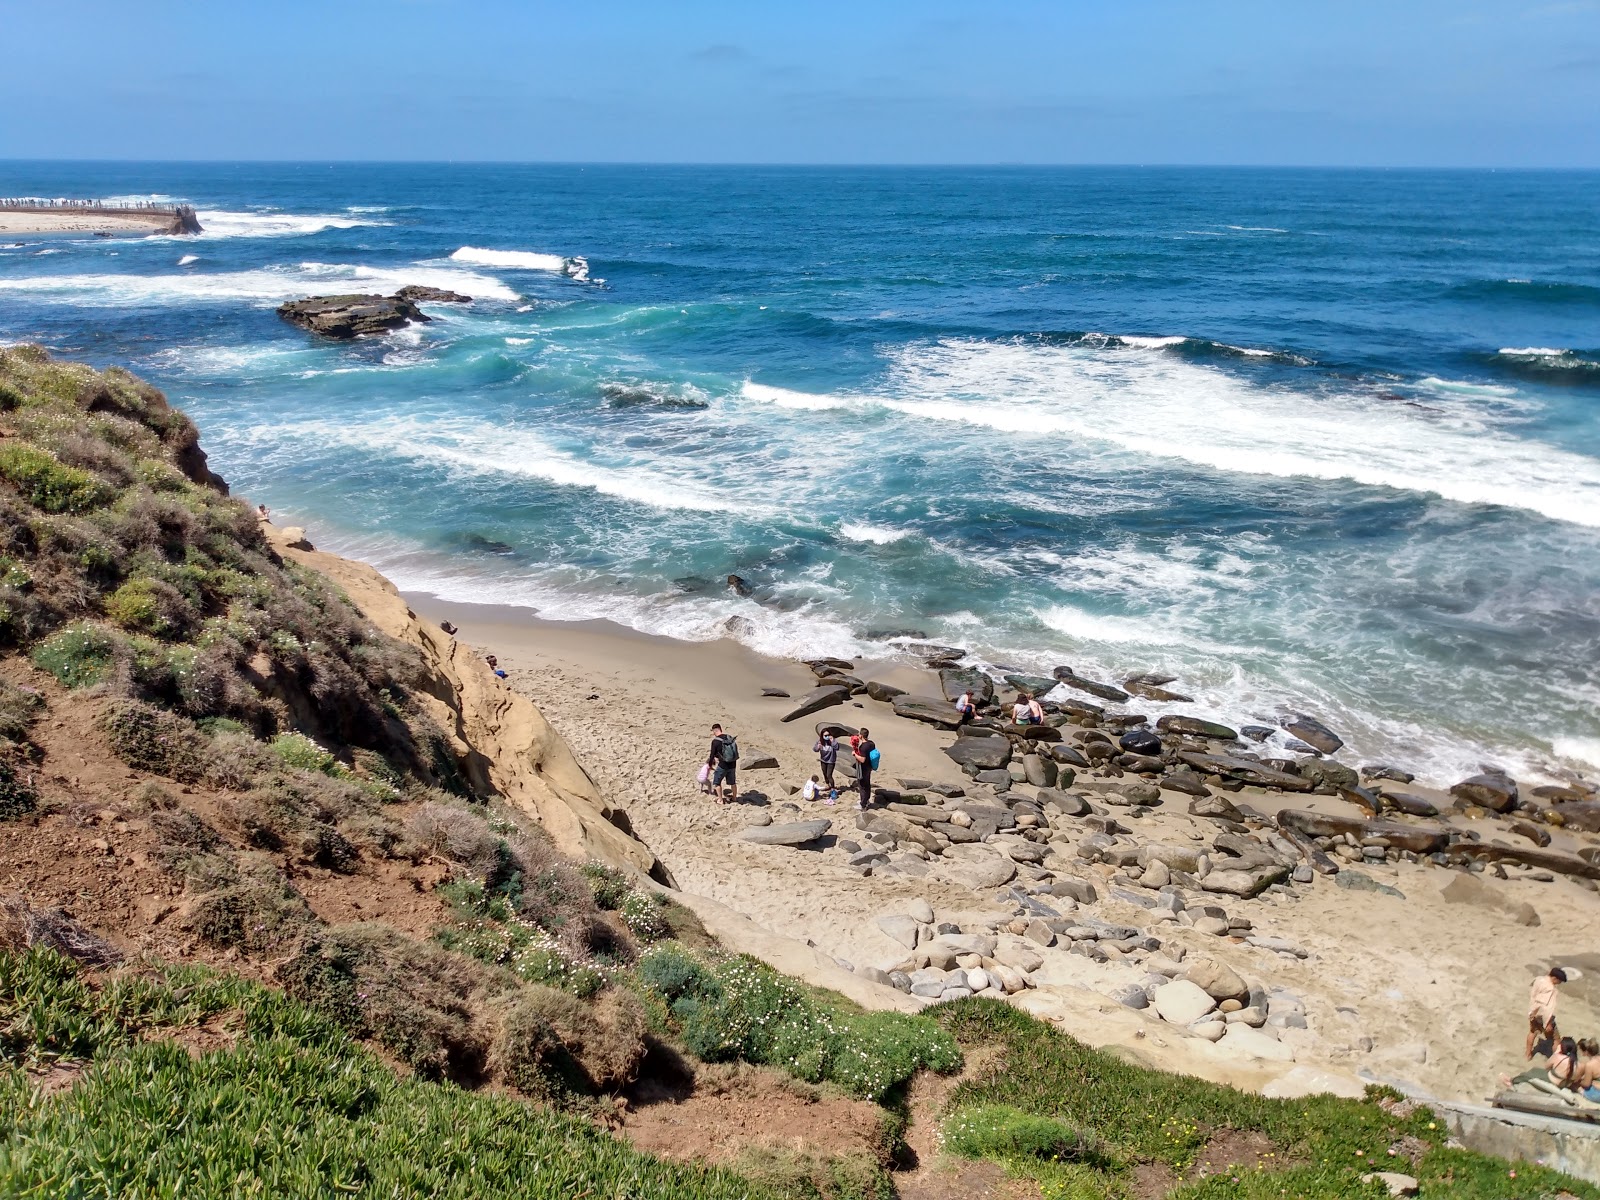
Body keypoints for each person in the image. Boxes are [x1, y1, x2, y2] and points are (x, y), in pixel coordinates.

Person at [1528, 967, 1568, 1060]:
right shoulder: (1551, 990)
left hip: (1533, 1012)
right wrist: (1548, 1023)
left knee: (1532, 1033)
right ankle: (1555, 1059)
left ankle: (1528, 1054)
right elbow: (1547, 1008)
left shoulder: (1538, 979)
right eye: (1559, 981)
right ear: (1555, 978)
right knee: (1556, 1039)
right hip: (1543, 1016)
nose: (1559, 983)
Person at [706, 723, 739, 803]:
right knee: (733, 783)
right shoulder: (729, 737)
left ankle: (720, 799)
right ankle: (734, 798)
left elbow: (712, 755)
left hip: (723, 765)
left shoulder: (715, 741)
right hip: (732, 763)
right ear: (721, 729)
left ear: (714, 731)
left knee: (717, 782)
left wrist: (709, 765)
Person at [852, 727, 877, 810]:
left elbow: (862, 759)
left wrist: (855, 754)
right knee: (867, 785)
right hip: (869, 767)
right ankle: (866, 801)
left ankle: (863, 804)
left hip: (863, 768)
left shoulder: (863, 747)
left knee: (862, 786)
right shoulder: (871, 743)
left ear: (861, 735)